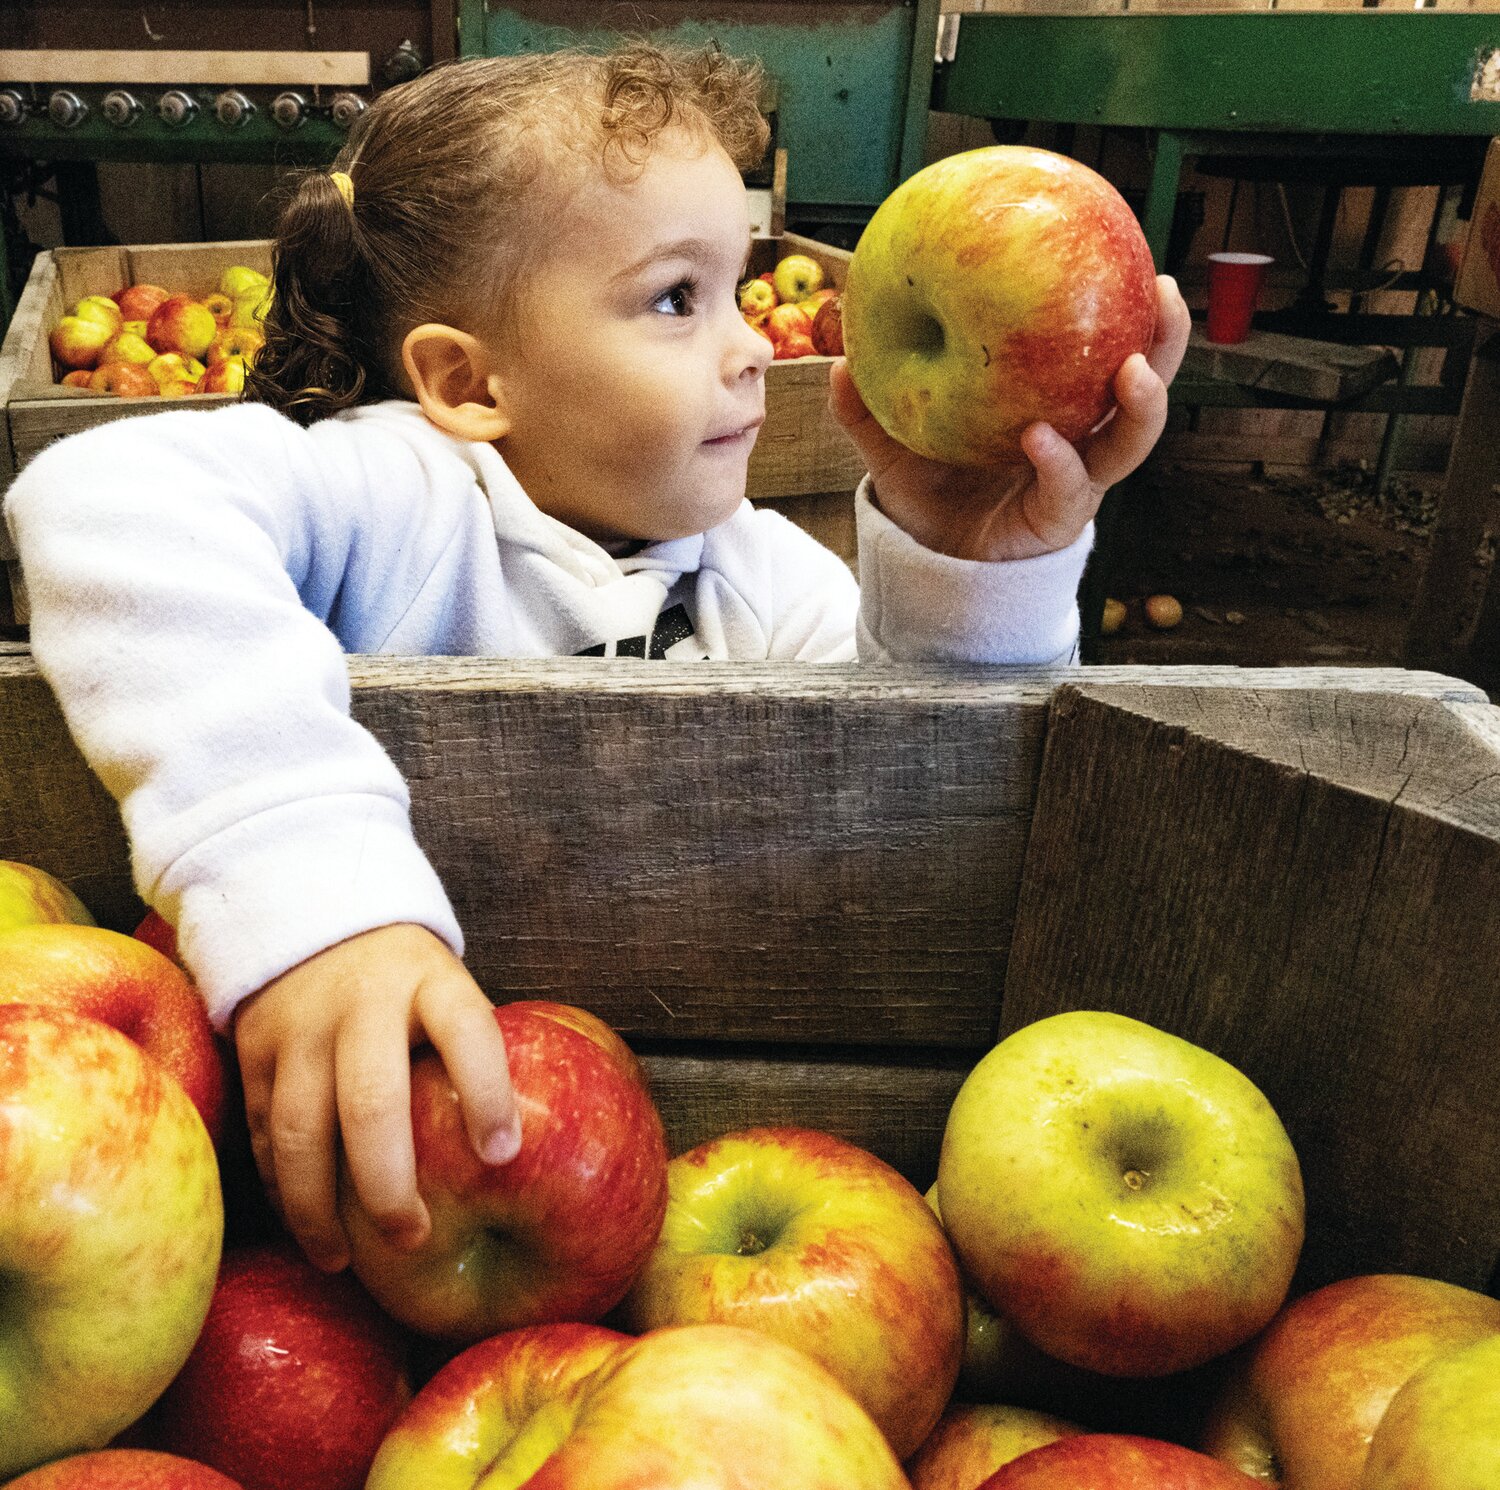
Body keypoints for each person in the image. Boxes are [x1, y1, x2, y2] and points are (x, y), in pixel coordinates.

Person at [4, 42, 1191, 1276]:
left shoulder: (753, 564)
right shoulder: (400, 494)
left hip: (697, 1176)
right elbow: (101, 490)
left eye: (741, 290)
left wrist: (969, 561)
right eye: (677, 299)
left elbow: (914, 786)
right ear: (468, 381)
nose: (747, 348)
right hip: (347, 1183)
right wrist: (305, 889)